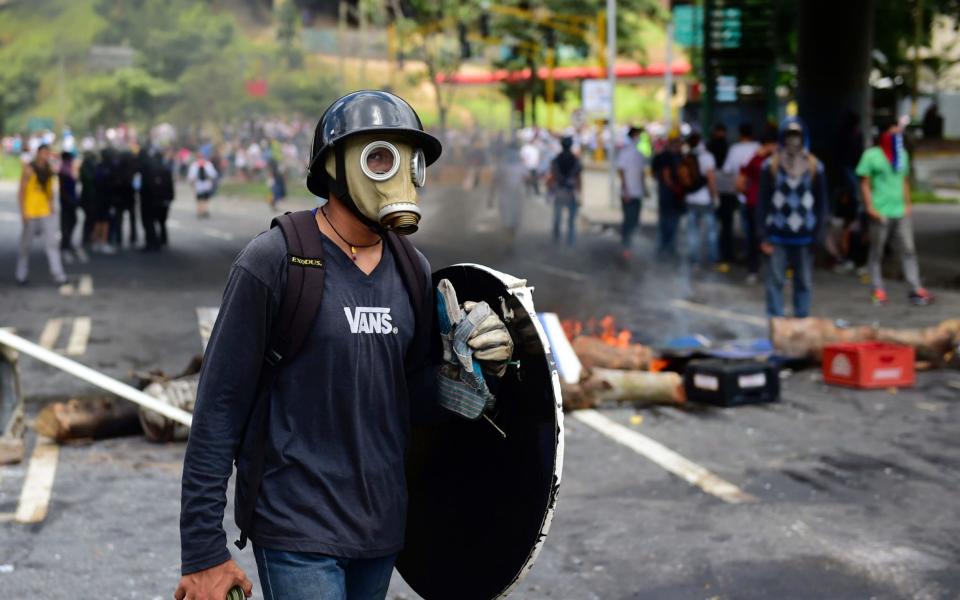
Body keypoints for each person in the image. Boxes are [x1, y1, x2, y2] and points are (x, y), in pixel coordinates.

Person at [176, 91, 513, 600]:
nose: (399, 175)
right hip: (297, 526)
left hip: (379, 529)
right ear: (334, 166)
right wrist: (203, 551)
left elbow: (412, 397)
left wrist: (469, 374)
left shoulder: (411, 267)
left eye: (410, 161)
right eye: (380, 157)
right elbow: (219, 406)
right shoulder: (274, 261)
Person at [857, 118, 934, 306]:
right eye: (892, 133)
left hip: (900, 212)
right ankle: (877, 289)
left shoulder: (902, 155)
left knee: (908, 250)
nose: (896, 136)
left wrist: (908, 205)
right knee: (878, 253)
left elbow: (904, 181)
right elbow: (865, 183)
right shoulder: (871, 155)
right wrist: (870, 207)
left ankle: (915, 288)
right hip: (880, 211)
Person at [756, 119, 828, 318]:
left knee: (804, 282)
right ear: (782, 137)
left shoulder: (815, 166)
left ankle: (801, 326)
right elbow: (762, 202)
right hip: (776, 236)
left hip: (805, 236)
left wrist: (819, 234)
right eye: (789, 136)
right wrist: (762, 235)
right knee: (775, 283)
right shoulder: (770, 166)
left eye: (797, 136)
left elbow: (822, 204)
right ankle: (775, 327)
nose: (793, 141)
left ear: (803, 137)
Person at [15, 145, 67, 285]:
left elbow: (50, 190)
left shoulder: (49, 170)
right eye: (43, 153)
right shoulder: (29, 169)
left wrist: (51, 204)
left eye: (47, 153)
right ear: (38, 153)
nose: (45, 156)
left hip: (45, 212)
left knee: (52, 244)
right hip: (31, 212)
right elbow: (21, 191)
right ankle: (21, 275)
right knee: (25, 246)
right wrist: (23, 211)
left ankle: (58, 275)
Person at [736, 127, 778, 284]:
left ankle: (755, 271)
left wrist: (747, 194)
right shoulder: (769, 160)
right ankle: (759, 270)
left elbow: (739, 183)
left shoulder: (756, 158)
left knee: (755, 237)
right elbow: (740, 182)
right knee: (760, 237)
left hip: (754, 203)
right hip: (761, 204)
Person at [718, 123, 760, 270]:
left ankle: (749, 257)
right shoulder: (758, 148)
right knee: (753, 229)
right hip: (755, 196)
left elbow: (726, 170)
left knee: (746, 227)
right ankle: (753, 258)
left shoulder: (735, 149)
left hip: (740, 194)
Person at [680, 132, 719, 268]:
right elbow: (711, 179)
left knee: (692, 232)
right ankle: (712, 259)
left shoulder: (687, 156)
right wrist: (714, 196)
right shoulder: (707, 157)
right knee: (711, 232)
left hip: (690, 199)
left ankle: (694, 260)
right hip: (705, 200)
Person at [652, 130, 684, 259]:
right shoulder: (667, 157)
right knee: (669, 223)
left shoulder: (662, 156)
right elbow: (666, 175)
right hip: (670, 195)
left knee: (667, 223)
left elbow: (655, 174)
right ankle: (666, 250)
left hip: (667, 195)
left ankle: (665, 249)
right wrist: (674, 188)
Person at [617, 126, 647, 258]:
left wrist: (644, 188)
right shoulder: (625, 152)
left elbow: (641, 173)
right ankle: (626, 246)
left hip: (637, 193)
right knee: (628, 220)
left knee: (635, 220)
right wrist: (626, 190)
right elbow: (622, 171)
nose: (639, 138)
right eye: (638, 135)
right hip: (628, 194)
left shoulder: (639, 154)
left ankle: (630, 245)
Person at [547, 136, 582, 246]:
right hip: (570, 192)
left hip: (559, 192)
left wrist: (549, 191)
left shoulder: (556, 160)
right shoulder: (576, 160)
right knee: (571, 221)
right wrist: (580, 194)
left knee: (557, 218)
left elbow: (551, 177)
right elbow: (578, 179)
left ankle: (556, 240)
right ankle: (570, 242)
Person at [58, 151, 81, 264]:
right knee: (66, 223)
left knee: (72, 221)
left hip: (71, 201)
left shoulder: (68, 170)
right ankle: (64, 245)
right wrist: (70, 200)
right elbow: (62, 189)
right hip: (67, 202)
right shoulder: (63, 171)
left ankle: (67, 242)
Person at [188, 153, 218, 218]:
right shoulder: (208, 164)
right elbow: (213, 174)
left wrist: (191, 184)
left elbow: (191, 176)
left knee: (199, 199)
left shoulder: (194, 165)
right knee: (205, 198)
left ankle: (200, 211)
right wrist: (211, 182)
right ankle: (205, 210)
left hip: (198, 184)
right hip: (206, 184)